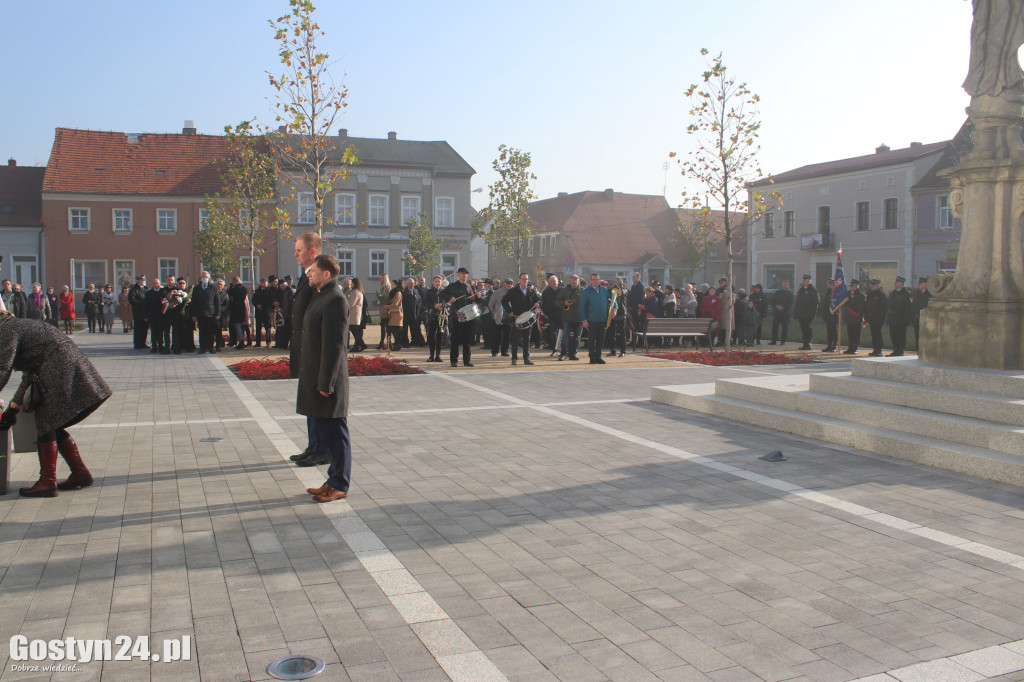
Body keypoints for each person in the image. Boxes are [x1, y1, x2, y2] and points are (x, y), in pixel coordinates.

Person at [0, 311, 112, 497]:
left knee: (47, 421)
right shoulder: (16, 325)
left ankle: (47, 481)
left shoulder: (6, 330)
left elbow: (2, 368)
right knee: (52, 422)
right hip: (61, 364)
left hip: (59, 367)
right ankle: (80, 473)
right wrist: (13, 407)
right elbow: (29, 374)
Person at [296, 254, 351, 503]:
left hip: (328, 381)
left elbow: (335, 346)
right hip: (316, 377)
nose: (308, 274)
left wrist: (326, 384)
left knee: (336, 434)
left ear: (326, 273)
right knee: (325, 434)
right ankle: (332, 479)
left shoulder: (336, 300)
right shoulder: (321, 296)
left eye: (313, 270)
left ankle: (340, 484)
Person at [290, 232, 329, 468]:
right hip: (305, 349)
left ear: (312, 251)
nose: (295, 254)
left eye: (299, 250)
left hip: (315, 350)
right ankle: (313, 445)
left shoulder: (317, 278)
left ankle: (322, 449)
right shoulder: (306, 276)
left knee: (317, 401)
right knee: (309, 400)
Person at [501, 273, 542, 366]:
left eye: (526, 279)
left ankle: (526, 358)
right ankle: (514, 359)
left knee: (527, 339)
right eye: (523, 279)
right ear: (519, 280)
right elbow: (504, 301)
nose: (525, 281)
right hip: (517, 318)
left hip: (528, 318)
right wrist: (509, 311)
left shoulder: (531, 291)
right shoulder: (513, 291)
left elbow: (539, 300)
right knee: (515, 339)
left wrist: (537, 304)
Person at [442, 267, 479, 367]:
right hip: (457, 316)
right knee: (455, 339)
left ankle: (467, 360)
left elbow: (474, 301)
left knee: (468, 339)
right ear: (458, 274)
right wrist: (450, 298)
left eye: (466, 273)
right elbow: (442, 294)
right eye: (462, 273)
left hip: (469, 316)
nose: (464, 275)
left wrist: (478, 297)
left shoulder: (470, 287)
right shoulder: (452, 286)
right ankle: (454, 360)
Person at [580, 273, 610, 364]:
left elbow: (612, 301)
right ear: (590, 280)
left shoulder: (604, 290)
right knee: (592, 340)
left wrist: (615, 309)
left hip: (603, 319)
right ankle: (592, 357)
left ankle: (598, 356)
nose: (595, 281)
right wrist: (584, 319)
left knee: (601, 339)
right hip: (592, 319)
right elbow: (582, 307)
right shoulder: (586, 291)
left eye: (597, 279)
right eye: (593, 279)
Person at [555, 274, 583, 360]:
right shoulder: (564, 290)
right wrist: (564, 303)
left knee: (577, 337)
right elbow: (557, 302)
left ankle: (573, 354)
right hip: (567, 317)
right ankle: (564, 354)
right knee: (565, 337)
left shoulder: (583, 291)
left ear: (579, 281)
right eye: (572, 279)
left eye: (576, 279)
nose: (574, 281)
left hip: (579, 317)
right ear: (569, 280)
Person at [886, 275, 913, 357]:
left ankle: (900, 350)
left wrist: (906, 320)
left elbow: (908, 308)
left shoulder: (906, 294)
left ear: (901, 284)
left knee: (900, 336)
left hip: (901, 319)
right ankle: (895, 349)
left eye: (897, 282)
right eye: (895, 282)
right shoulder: (893, 293)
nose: (895, 283)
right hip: (892, 318)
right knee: (893, 335)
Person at [423, 275, 446, 362]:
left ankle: (438, 356)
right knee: (431, 336)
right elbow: (424, 303)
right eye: (436, 281)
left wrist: (442, 305)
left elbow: (449, 303)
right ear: (433, 282)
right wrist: (434, 306)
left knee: (440, 336)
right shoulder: (429, 292)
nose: (437, 283)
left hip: (442, 317)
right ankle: (431, 356)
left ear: (441, 283)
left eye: (439, 281)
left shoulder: (444, 292)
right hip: (432, 316)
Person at [864, 279, 888, 356]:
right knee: (873, 334)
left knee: (878, 334)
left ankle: (879, 350)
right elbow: (867, 307)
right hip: (871, 318)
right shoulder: (870, 294)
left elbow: (884, 308)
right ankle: (875, 349)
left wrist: (882, 318)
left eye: (874, 286)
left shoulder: (881, 295)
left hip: (878, 319)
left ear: (878, 286)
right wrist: (866, 317)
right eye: (872, 286)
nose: (873, 287)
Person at [793, 275, 817, 351]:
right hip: (801, 313)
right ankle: (805, 344)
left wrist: (812, 314)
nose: (805, 282)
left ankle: (808, 343)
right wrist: (795, 313)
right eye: (804, 280)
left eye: (807, 280)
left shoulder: (813, 291)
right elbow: (797, 302)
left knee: (808, 329)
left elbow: (814, 304)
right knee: (803, 329)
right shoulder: (801, 290)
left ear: (810, 281)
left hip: (807, 314)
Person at [488, 278, 511, 357]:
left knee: (507, 335)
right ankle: (494, 351)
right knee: (497, 335)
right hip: (499, 317)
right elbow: (491, 304)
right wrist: (495, 312)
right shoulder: (497, 293)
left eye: (511, 283)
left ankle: (504, 351)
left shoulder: (512, 293)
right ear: (503, 283)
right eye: (508, 283)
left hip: (509, 317)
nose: (510, 285)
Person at [842, 280, 865, 354]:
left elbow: (861, 309)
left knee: (856, 334)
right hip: (849, 318)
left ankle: (855, 348)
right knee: (850, 334)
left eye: (853, 286)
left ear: (857, 286)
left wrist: (858, 318)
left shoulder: (860, 296)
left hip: (856, 318)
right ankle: (850, 347)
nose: (851, 287)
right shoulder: (849, 295)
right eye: (850, 286)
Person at [605, 277, 627, 357]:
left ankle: (623, 351)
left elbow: (622, 292)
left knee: (622, 333)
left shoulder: (624, 289)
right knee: (611, 333)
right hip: (612, 313)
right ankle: (613, 350)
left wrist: (616, 288)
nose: (614, 283)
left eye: (615, 282)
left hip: (621, 313)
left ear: (620, 283)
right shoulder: (612, 289)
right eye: (614, 282)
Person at [382, 279, 404, 351]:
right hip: (393, 313)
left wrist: (386, 306)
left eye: (392, 285)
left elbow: (395, 304)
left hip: (397, 314)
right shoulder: (393, 292)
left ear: (396, 285)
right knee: (393, 329)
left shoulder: (398, 293)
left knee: (394, 329)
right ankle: (397, 344)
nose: (391, 286)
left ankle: (398, 344)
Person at [910, 276, 932, 350]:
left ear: (926, 284)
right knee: (917, 336)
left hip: (924, 320)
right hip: (916, 319)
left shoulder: (929, 295)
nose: (918, 285)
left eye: (920, 283)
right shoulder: (916, 293)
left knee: (925, 337)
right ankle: (918, 350)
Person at [769, 280, 794, 345]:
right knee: (774, 327)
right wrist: (776, 306)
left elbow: (791, 303)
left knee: (785, 328)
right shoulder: (777, 292)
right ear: (781, 285)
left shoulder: (790, 293)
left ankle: (783, 341)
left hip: (786, 314)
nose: (785, 286)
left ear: (788, 285)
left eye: (786, 284)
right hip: (777, 313)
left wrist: (783, 307)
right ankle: (774, 341)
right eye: (784, 284)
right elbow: (772, 301)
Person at [401, 278, 424, 347]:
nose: (412, 285)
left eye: (413, 283)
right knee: (405, 329)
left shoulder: (416, 291)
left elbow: (419, 301)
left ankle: (415, 341)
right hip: (406, 314)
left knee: (415, 329)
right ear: (407, 284)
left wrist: (419, 310)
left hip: (416, 314)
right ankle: (405, 342)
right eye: (411, 283)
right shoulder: (404, 292)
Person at [818, 279, 839, 353]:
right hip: (827, 315)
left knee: (834, 331)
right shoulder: (828, 292)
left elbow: (837, 305)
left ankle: (834, 346)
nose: (828, 285)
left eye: (829, 284)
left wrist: (834, 314)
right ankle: (829, 345)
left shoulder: (836, 292)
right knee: (829, 331)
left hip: (833, 315)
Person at [128, 275, 148, 348]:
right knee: (138, 328)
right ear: (138, 281)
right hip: (138, 312)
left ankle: (143, 343)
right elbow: (132, 300)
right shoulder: (134, 289)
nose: (144, 281)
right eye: (142, 280)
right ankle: (137, 344)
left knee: (145, 328)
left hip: (145, 312)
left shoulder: (145, 289)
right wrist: (142, 303)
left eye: (144, 280)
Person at [252, 278, 271, 347]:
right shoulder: (257, 291)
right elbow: (253, 300)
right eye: (262, 282)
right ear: (260, 283)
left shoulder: (269, 291)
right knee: (258, 329)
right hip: (258, 312)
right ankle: (258, 343)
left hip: (266, 313)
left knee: (267, 328)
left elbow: (269, 301)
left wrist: (262, 305)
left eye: (264, 283)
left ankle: (268, 342)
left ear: (267, 283)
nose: (263, 284)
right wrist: (257, 305)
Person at [347, 277, 366, 352]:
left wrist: (345, 309)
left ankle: (360, 344)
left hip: (353, 314)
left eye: (351, 283)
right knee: (355, 331)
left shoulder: (355, 292)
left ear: (354, 284)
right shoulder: (358, 292)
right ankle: (359, 345)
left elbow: (351, 303)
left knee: (354, 330)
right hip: (355, 314)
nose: (350, 284)